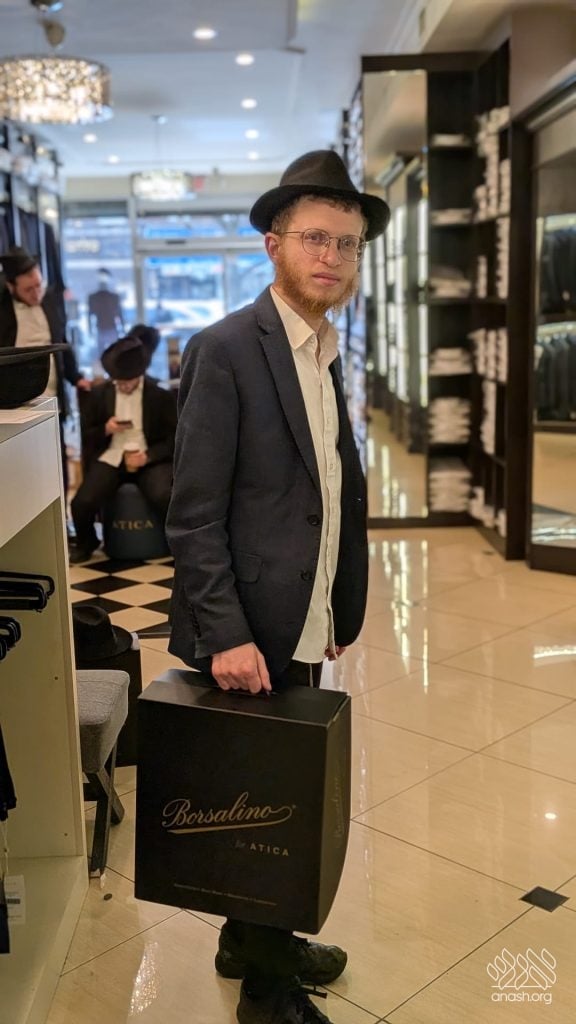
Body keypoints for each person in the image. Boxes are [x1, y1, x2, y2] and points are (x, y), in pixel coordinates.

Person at [166, 150, 390, 1024]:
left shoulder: (325, 350)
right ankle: (268, 993)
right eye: (314, 238)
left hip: (301, 611)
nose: (332, 256)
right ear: (274, 244)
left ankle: (251, 942)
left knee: (278, 791)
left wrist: (333, 599)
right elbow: (194, 514)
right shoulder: (225, 349)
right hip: (248, 626)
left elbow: (324, 491)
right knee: (260, 806)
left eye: (347, 243)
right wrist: (224, 632)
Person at [70, 335, 177, 564]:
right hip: (114, 455)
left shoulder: (159, 395)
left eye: (127, 382)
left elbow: (174, 439)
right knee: (82, 502)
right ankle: (87, 542)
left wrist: (148, 456)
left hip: (149, 457)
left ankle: (176, 545)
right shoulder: (99, 395)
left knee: (164, 496)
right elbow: (87, 435)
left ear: (139, 375)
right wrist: (106, 429)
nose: (123, 386)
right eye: (118, 382)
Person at [0, 245, 91, 498]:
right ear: (10, 286)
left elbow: (62, 341)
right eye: (28, 289)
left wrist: (76, 377)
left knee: (56, 459)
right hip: (11, 403)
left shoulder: (50, 299)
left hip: (51, 396)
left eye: (38, 285)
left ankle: (61, 515)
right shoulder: (3, 308)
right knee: (18, 464)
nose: (36, 293)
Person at [88, 267, 125, 357]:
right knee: (104, 355)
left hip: (111, 329)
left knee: (115, 355)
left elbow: (119, 314)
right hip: (102, 329)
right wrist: (90, 330)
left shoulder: (114, 297)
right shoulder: (94, 298)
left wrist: (122, 329)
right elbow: (89, 315)